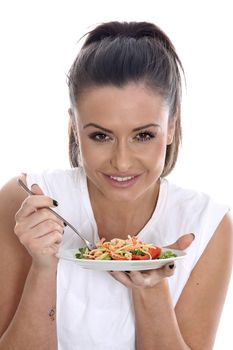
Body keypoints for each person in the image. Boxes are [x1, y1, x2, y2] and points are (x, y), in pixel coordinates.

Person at [0, 21, 232, 350]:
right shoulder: (24, 202)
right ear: (74, 128)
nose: (122, 162)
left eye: (143, 135)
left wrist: (151, 291)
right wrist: (43, 265)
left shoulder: (208, 225)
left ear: (170, 127)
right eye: (100, 136)